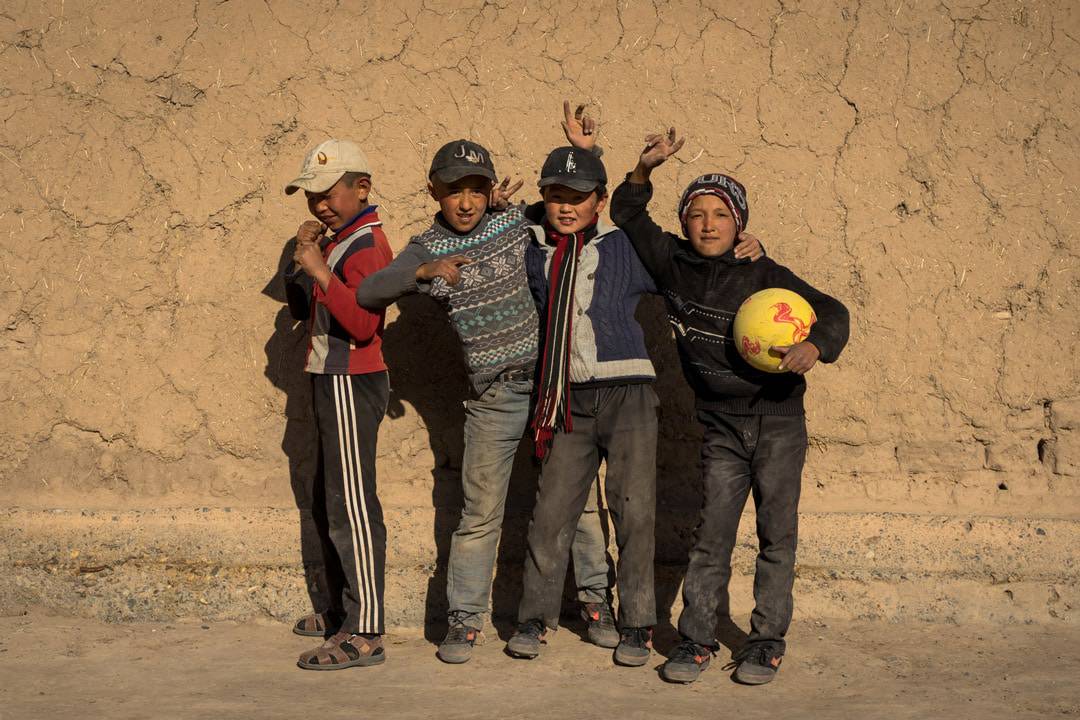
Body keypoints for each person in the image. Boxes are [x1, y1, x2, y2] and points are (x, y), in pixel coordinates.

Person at [609, 128, 850, 685]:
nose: (709, 224)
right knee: (711, 534)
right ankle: (696, 640)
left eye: (721, 214)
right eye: (697, 214)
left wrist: (816, 346)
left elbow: (833, 311)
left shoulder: (766, 275)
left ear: (739, 223)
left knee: (775, 534)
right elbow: (628, 212)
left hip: (779, 423)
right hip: (720, 426)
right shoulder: (672, 264)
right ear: (685, 222)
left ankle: (765, 641)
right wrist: (644, 168)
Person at [282, 139, 394, 670]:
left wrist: (322, 270)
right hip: (330, 380)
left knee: (352, 504)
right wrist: (301, 257)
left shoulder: (368, 244)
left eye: (329, 193)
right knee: (331, 499)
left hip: (353, 381)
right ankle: (339, 611)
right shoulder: (337, 240)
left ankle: (366, 629)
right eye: (312, 197)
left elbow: (368, 324)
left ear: (362, 188)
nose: (320, 205)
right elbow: (302, 308)